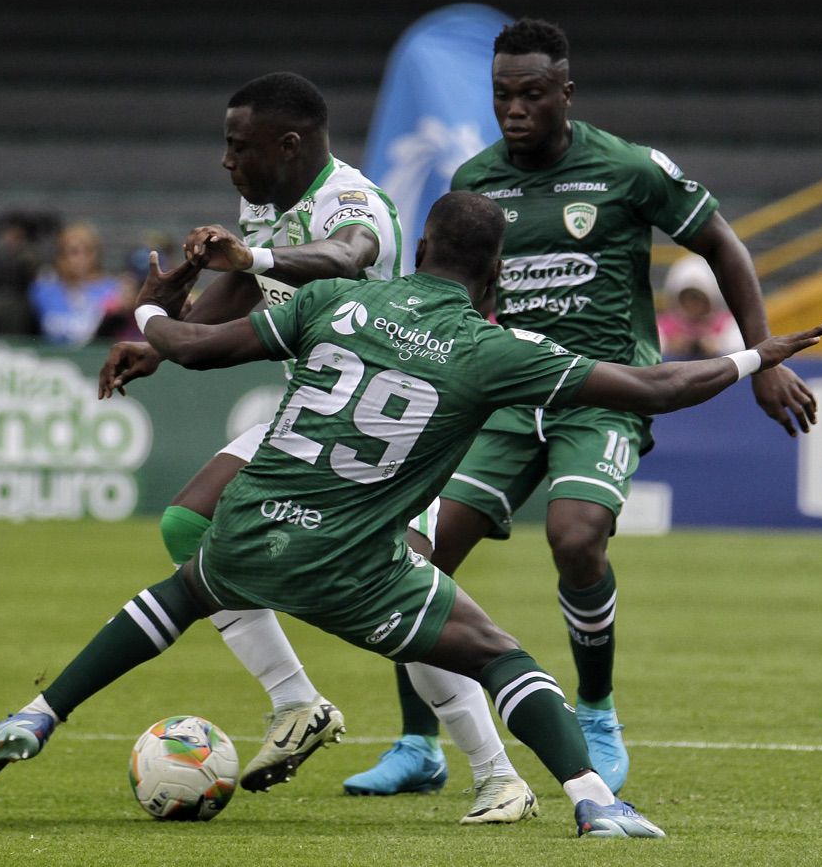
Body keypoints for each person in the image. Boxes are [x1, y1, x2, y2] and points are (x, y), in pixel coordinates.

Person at [0, 189, 822, 839]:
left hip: (257, 527)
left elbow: (188, 345)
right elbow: (653, 386)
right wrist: (755, 353)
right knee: (499, 654)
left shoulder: (338, 301)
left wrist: (150, 300)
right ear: (495, 272)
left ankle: (37, 717)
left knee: (181, 591)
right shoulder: (496, 348)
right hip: (361, 563)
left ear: (421, 249)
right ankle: (591, 797)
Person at [347, 17, 819, 797]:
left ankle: (596, 710)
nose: (515, 110)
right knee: (415, 553)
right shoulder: (475, 178)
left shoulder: (629, 170)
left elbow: (724, 244)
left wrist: (759, 357)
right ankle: (419, 742)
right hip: (503, 395)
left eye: (532, 94)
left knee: (576, 536)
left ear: (566, 92)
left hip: (600, 394)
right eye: (502, 95)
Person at [97, 71, 539, 824]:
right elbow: (242, 293)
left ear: (288, 144)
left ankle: (499, 773)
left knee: (409, 594)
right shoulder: (263, 202)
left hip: (396, 421)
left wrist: (253, 260)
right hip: (315, 409)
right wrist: (169, 341)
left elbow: (343, 256)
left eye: (238, 146)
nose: (227, 161)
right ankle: (297, 702)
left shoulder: (353, 202)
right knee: (190, 524)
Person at [28, 221, 133, 346]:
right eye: (74, 252)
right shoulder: (43, 290)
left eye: (88, 251)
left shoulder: (113, 290)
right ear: (61, 256)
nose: (82, 258)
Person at [657, 255, 744, 359]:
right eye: (689, 298)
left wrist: (719, 346)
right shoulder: (663, 326)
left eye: (699, 299)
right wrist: (669, 346)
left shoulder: (726, 324)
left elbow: (740, 352)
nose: (694, 305)